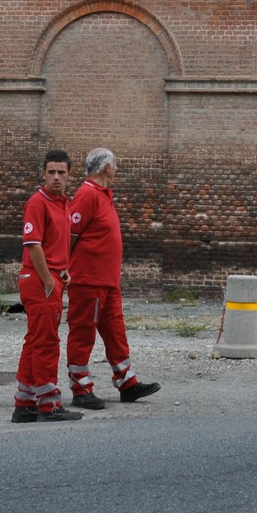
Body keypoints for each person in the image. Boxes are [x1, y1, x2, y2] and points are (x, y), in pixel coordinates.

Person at [65, 147, 161, 408]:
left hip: (107, 281)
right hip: (89, 280)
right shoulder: (87, 194)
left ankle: (127, 382)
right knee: (83, 333)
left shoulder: (103, 194)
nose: (117, 169)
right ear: (106, 168)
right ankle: (80, 388)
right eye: (115, 164)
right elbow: (70, 236)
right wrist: (68, 269)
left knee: (116, 332)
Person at [12, 150, 82, 423]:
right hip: (39, 280)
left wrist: (62, 271)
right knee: (47, 343)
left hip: (51, 276)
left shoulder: (63, 203)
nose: (56, 177)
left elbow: (55, 244)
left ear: (68, 175)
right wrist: (48, 280)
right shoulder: (37, 202)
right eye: (51, 172)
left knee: (34, 341)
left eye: (61, 173)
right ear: (43, 174)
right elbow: (33, 245)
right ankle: (48, 404)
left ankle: (25, 403)